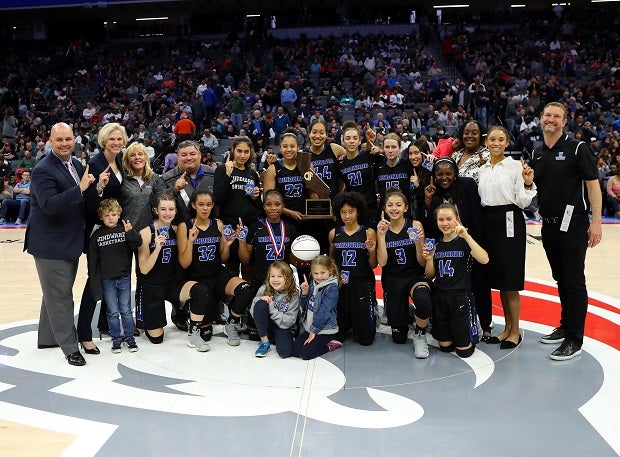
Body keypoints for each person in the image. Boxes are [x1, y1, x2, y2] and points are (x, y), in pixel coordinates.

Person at [531, 102, 603, 361]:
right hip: (549, 225)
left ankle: (575, 338)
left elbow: (593, 186)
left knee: (573, 280)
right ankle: (565, 324)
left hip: (574, 224)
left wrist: (596, 222)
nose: (551, 119)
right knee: (560, 278)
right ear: (541, 119)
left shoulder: (577, 148)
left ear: (564, 121)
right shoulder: (537, 152)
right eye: (547, 115)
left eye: (556, 116)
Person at [25, 122, 100, 366]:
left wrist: (95, 187)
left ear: (74, 139)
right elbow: (49, 204)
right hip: (50, 244)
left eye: (68, 139)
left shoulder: (76, 164)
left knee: (55, 292)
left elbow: (79, 199)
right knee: (61, 295)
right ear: (50, 141)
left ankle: (48, 337)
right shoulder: (42, 169)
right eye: (59, 140)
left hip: (69, 240)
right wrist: (80, 188)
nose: (65, 143)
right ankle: (70, 347)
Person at [478, 126, 537, 348]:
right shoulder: (483, 170)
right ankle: (506, 328)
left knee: (510, 279)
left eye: (500, 139)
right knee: (500, 279)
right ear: (486, 142)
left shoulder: (515, 167)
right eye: (492, 139)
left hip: (509, 219)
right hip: (488, 221)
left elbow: (523, 201)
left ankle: (515, 331)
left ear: (506, 143)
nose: (496, 142)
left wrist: (528, 182)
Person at [177, 191, 252, 350]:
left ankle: (230, 324)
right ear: (193, 205)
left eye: (209, 204)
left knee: (245, 289)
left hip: (217, 274)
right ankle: (195, 329)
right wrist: (191, 241)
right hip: (197, 278)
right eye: (201, 204)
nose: (205, 208)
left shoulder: (217, 224)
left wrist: (226, 244)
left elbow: (223, 258)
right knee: (206, 334)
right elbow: (184, 264)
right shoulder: (185, 226)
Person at [77, 122, 126, 355]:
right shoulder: (95, 164)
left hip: (114, 230)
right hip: (96, 232)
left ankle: (106, 324)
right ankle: (84, 333)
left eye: (119, 139)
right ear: (103, 140)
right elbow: (87, 204)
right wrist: (99, 189)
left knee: (113, 275)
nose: (116, 142)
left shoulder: (120, 160)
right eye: (112, 139)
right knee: (95, 280)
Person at [422, 203, 489, 358]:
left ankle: (473, 326)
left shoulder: (464, 241)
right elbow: (430, 275)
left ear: (457, 219)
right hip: (440, 298)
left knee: (464, 351)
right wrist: (430, 260)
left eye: (449, 219)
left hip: (461, 297)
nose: (445, 223)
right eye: (441, 219)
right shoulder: (435, 245)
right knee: (445, 347)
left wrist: (466, 235)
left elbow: (484, 259)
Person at [377, 189, 432, 358]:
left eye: (398, 205)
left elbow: (422, 262)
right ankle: (407, 311)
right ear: (385, 209)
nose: (394, 208)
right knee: (399, 337)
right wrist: (380, 236)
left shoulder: (415, 225)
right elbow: (383, 262)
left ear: (406, 208)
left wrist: (417, 243)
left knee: (423, 299)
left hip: (414, 275)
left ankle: (420, 333)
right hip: (393, 278)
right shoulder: (382, 228)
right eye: (390, 205)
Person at [88, 198, 142, 353]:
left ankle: (130, 339)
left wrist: (130, 232)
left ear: (119, 214)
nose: (110, 218)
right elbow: (92, 260)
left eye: (113, 214)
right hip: (107, 280)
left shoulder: (124, 230)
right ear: (101, 217)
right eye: (106, 215)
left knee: (125, 310)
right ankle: (116, 340)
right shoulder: (97, 236)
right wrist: (94, 281)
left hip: (124, 278)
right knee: (112, 312)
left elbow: (137, 243)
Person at [329, 192, 378, 346]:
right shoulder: (333, 233)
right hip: (342, 285)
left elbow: (373, 265)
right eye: (343, 212)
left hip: (362, 284)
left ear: (358, 212)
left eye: (351, 211)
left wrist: (371, 251)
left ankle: (370, 316)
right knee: (338, 334)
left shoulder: (368, 232)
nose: (347, 216)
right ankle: (348, 321)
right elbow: (331, 260)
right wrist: (336, 277)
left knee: (366, 339)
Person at [292, 255, 340, 360]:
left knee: (305, 354)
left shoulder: (332, 288)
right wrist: (304, 293)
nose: (319, 277)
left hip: (324, 330)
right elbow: (305, 307)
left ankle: (330, 345)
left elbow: (324, 312)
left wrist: (313, 332)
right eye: (316, 273)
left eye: (323, 273)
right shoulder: (313, 283)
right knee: (295, 351)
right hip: (310, 327)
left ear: (330, 271)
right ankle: (314, 339)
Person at [250, 261, 300, 358]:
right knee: (260, 304)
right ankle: (264, 342)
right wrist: (259, 300)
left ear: (288, 278)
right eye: (272, 276)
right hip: (268, 328)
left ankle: (279, 340)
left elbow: (289, 322)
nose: (275, 280)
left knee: (284, 352)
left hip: (284, 328)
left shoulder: (294, 295)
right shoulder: (265, 288)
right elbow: (253, 313)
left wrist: (272, 307)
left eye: (279, 276)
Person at [338, 122, 379, 227]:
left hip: (371, 207)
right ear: (343, 142)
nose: (351, 141)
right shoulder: (340, 164)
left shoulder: (368, 156)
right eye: (348, 138)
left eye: (355, 138)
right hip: (353, 210)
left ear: (360, 141)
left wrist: (373, 143)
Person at [262, 129, 306, 223]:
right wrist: (289, 212)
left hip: (304, 216)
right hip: (282, 218)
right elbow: (268, 199)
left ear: (298, 147)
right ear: (280, 148)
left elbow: (312, 192)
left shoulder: (305, 165)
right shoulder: (273, 169)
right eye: (285, 146)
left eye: (292, 146)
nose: (289, 149)